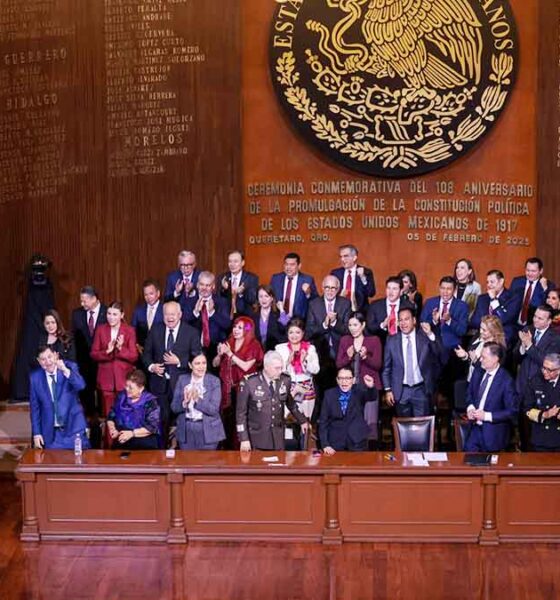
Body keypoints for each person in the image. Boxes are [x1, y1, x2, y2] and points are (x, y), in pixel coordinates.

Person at [142, 301, 201, 443]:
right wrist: (152, 367)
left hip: (182, 386)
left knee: (182, 421)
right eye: (166, 314)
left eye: (173, 314)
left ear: (180, 315)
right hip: (159, 385)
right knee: (161, 421)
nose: (169, 318)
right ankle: (161, 453)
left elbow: (198, 359)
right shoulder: (155, 330)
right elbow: (146, 354)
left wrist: (179, 361)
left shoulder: (191, 332)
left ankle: (182, 452)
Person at [236, 350, 310, 451]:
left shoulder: (285, 380)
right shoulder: (249, 383)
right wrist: (243, 439)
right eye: (277, 368)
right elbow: (240, 414)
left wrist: (302, 421)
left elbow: (291, 403)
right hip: (258, 438)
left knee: (279, 464)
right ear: (266, 367)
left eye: (281, 368)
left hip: (278, 438)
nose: (280, 371)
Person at [213, 316, 264, 446]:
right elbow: (215, 364)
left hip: (244, 389)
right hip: (228, 389)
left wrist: (230, 354)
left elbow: (246, 366)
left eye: (240, 328)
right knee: (227, 421)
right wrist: (219, 354)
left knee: (242, 420)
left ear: (247, 330)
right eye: (235, 326)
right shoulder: (229, 342)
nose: (236, 330)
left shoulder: (254, 345)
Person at [382, 307, 441, 417]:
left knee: (421, 428)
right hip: (400, 391)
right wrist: (388, 389)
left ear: (414, 320)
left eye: (407, 319)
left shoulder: (424, 337)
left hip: (421, 390)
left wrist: (430, 335)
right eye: (400, 320)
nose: (403, 323)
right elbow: (386, 368)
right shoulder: (391, 340)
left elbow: (438, 353)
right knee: (403, 429)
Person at [30, 346, 90, 450]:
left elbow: (81, 386)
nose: (48, 362)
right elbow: (35, 408)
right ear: (39, 361)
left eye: (50, 357)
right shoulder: (35, 378)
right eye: (43, 359)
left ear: (56, 355)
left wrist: (64, 370)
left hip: (74, 429)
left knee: (79, 462)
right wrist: (37, 433)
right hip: (52, 434)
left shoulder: (70, 367)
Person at [336, 311, 382, 442]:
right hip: (350, 388)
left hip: (369, 388)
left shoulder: (373, 340)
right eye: (350, 325)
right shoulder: (345, 340)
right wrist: (348, 356)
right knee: (351, 423)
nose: (352, 328)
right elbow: (339, 364)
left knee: (369, 425)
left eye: (355, 325)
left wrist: (366, 357)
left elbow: (378, 365)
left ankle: (370, 454)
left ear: (363, 325)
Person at [463, 342, 519, 452]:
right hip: (474, 430)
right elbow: (469, 393)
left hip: (493, 434)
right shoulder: (478, 371)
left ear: (495, 359)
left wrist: (486, 416)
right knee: (467, 463)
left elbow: (512, 411)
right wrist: (470, 407)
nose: (480, 360)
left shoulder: (506, 381)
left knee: (490, 468)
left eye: (484, 357)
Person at [90, 301, 138, 419]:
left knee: (125, 416)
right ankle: (109, 438)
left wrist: (121, 348)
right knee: (109, 417)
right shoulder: (101, 329)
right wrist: (107, 351)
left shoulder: (129, 330)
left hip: (124, 380)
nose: (111, 317)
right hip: (106, 381)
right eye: (109, 314)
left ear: (122, 315)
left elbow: (134, 356)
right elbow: (93, 354)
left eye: (115, 314)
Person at [305, 275, 351, 392]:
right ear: (322, 288)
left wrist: (335, 322)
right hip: (320, 352)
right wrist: (324, 325)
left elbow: (348, 330)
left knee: (340, 388)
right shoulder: (313, 304)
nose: (330, 291)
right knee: (321, 390)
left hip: (340, 351)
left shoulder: (345, 303)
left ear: (338, 289)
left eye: (333, 288)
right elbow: (309, 331)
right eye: (327, 288)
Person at [171, 352, 226, 450]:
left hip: (208, 432)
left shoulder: (214, 381)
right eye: (197, 363)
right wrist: (184, 403)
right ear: (190, 365)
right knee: (187, 463)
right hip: (186, 431)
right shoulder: (182, 380)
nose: (201, 367)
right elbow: (174, 407)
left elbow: (213, 410)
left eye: (204, 363)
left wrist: (197, 400)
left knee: (207, 463)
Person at [454, 315, 506, 411]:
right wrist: (465, 356)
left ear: (493, 331)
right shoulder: (477, 338)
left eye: (484, 330)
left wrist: (475, 361)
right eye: (480, 328)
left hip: (484, 386)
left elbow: (490, 370)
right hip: (471, 381)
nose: (480, 331)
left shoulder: (498, 348)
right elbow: (471, 357)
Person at [319, 369, 377, 455]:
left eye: (348, 378)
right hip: (335, 443)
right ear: (337, 380)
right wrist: (325, 444)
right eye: (341, 378)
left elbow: (372, 397)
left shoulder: (359, 391)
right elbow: (323, 421)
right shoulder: (329, 394)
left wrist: (371, 387)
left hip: (357, 441)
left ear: (353, 380)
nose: (344, 382)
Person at [71, 286, 107, 415]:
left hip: (104, 360)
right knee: (86, 392)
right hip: (84, 361)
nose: (82, 304)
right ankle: (90, 416)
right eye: (81, 301)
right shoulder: (77, 314)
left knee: (103, 392)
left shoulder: (108, 312)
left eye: (84, 301)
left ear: (94, 299)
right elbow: (75, 339)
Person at [275, 318, 320, 420]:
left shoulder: (310, 349)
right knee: (288, 421)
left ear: (303, 333)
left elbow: (316, 370)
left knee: (305, 421)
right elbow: (276, 372)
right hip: (288, 388)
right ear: (287, 333)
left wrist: (304, 361)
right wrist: (287, 362)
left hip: (306, 389)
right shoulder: (280, 349)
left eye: (297, 332)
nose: (294, 335)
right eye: (291, 332)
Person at [106, 369, 160, 450]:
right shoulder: (121, 397)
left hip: (144, 442)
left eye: (130, 387)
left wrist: (132, 433)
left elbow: (152, 427)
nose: (127, 389)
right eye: (126, 386)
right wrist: (112, 429)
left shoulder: (150, 401)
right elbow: (111, 416)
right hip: (122, 439)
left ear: (141, 388)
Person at [184, 271, 231, 361]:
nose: (204, 288)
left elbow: (227, 325)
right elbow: (183, 324)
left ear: (213, 287)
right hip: (194, 349)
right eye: (202, 284)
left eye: (208, 285)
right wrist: (195, 312)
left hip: (216, 350)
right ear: (197, 285)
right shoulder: (190, 302)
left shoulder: (222, 302)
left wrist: (212, 313)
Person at [420, 276, 469, 361]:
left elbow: (462, 331)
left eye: (449, 289)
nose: (445, 292)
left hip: (452, 351)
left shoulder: (462, 306)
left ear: (454, 290)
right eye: (443, 288)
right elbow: (422, 324)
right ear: (439, 288)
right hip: (431, 348)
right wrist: (434, 321)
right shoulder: (430, 303)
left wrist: (450, 321)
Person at [514, 304, 560, 394]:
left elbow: (546, 362)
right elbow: (515, 358)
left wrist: (529, 346)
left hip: (539, 386)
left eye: (540, 318)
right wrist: (523, 347)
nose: (535, 320)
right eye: (535, 316)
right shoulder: (527, 329)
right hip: (521, 383)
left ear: (549, 321)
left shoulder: (555, 338)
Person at [470, 270, 522, 347]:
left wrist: (494, 300)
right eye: (487, 282)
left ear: (501, 281)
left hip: (503, 335)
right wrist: (486, 330)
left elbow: (505, 319)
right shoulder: (482, 298)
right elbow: (474, 321)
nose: (489, 285)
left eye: (492, 282)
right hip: (483, 335)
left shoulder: (513, 298)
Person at [524, 354, 560, 452]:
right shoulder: (535, 381)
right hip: (541, 438)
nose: (545, 372)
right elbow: (527, 409)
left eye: (549, 370)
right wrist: (545, 414)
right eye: (543, 368)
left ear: (558, 370)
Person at [270, 252, 317, 320]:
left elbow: (315, 301)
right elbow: (270, 297)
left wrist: (308, 293)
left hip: (298, 322)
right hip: (278, 320)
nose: (288, 267)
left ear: (299, 266)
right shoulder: (276, 279)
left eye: (292, 265)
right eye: (286, 264)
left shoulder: (307, 280)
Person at [510, 257, 555, 328]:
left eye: (533, 271)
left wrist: (545, 289)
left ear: (541, 271)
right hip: (514, 324)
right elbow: (510, 301)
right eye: (528, 270)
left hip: (533, 326)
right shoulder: (517, 282)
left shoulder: (548, 285)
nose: (530, 273)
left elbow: (548, 308)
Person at [366, 276, 414, 341]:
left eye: (394, 289)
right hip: (381, 343)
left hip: (402, 342)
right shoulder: (375, 306)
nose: (390, 292)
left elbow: (413, 327)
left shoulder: (408, 306)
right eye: (388, 288)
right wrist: (382, 325)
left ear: (401, 291)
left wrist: (402, 325)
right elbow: (369, 328)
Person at [330, 244, 375, 312]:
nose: (342, 259)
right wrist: (339, 297)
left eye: (345, 256)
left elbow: (371, 293)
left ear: (354, 257)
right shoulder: (335, 273)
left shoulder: (366, 272)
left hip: (360, 313)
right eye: (341, 256)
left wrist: (363, 278)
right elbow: (329, 294)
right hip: (341, 312)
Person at [217, 250, 259, 317]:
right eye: (230, 261)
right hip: (226, 317)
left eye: (235, 261)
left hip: (244, 316)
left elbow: (252, 299)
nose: (232, 264)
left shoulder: (251, 278)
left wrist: (241, 293)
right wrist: (225, 289)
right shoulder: (222, 277)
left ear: (242, 263)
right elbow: (218, 299)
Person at [250, 285, 288, 351]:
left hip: (275, 351)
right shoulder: (253, 314)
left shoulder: (278, 314)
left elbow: (283, 328)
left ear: (272, 298)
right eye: (261, 296)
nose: (263, 299)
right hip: (257, 351)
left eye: (266, 296)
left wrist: (282, 310)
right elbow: (247, 329)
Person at [131, 279, 164, 353]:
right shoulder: (138, 311)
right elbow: (132, 330)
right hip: (142, 352)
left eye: (151, 293)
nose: (148, 297)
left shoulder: (165, 309)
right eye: (146, 294)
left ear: (158, 293)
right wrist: (136, 344)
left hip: (160, 353)